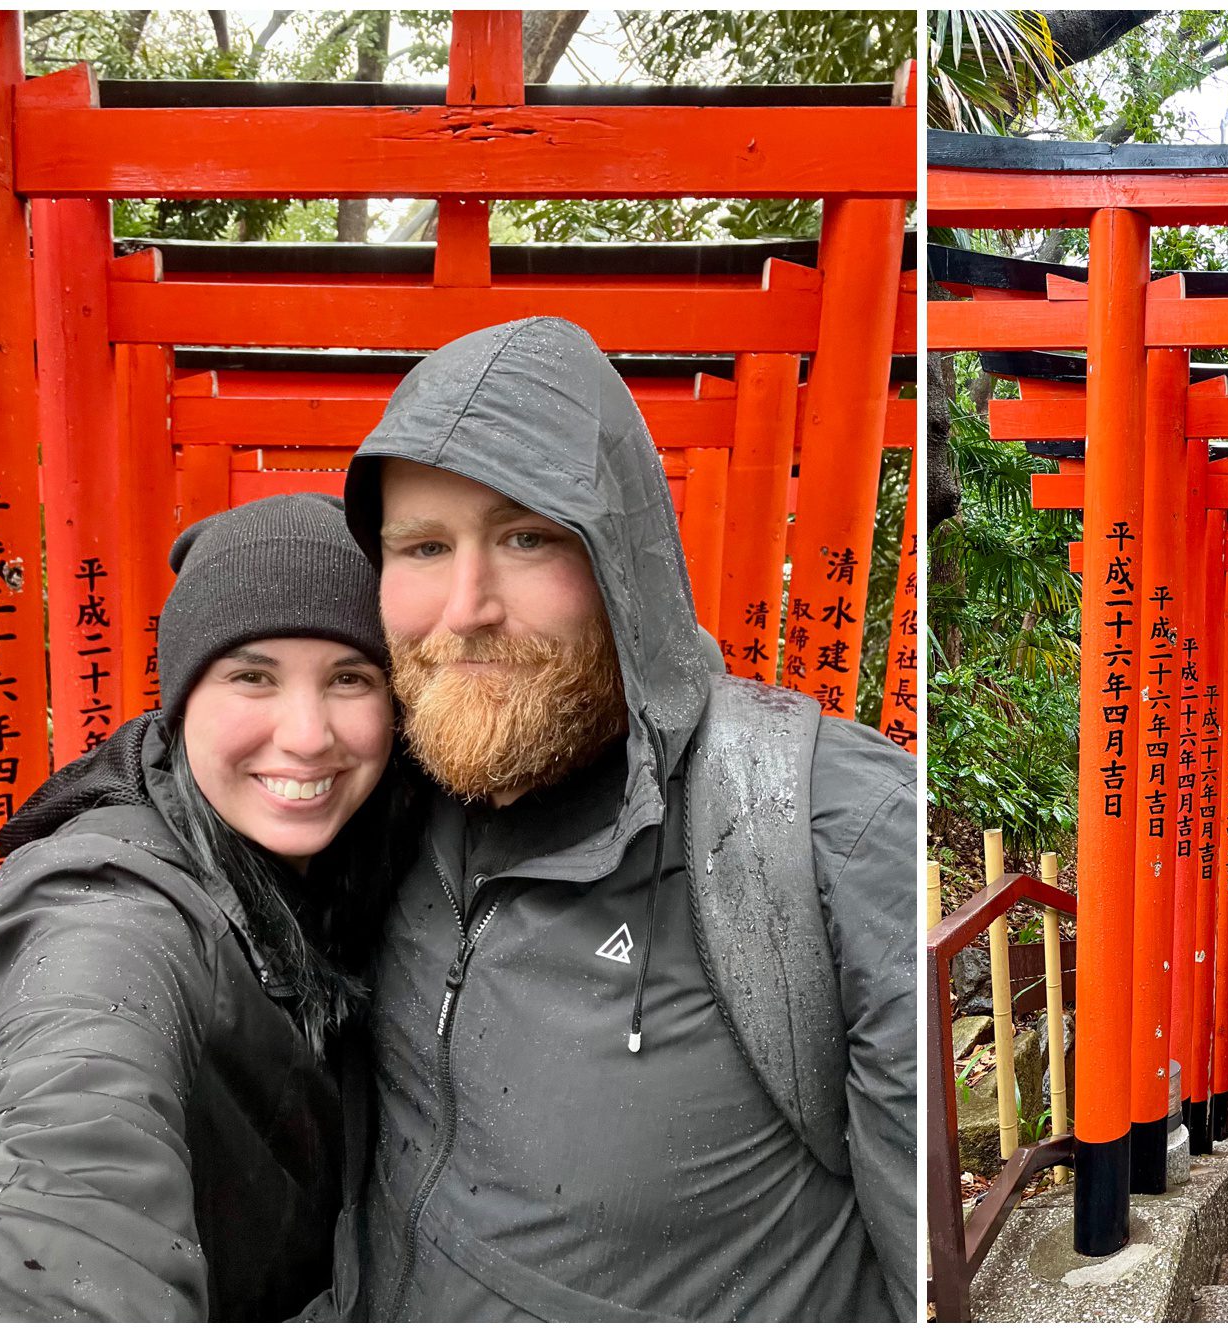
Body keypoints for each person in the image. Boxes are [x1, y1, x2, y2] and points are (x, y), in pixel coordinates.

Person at [334, 316, 917, 1322]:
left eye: (526, 537)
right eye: (424, 546)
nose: (465, 604)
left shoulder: (829, 827)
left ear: (623, 557)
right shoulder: (369, 802)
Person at [0, 494, 410, 1320]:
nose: (306, 733)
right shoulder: (109, 894)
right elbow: (63, 1129)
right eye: (252, 676)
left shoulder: (384, 849)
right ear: (181, 697)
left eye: (350, 678)